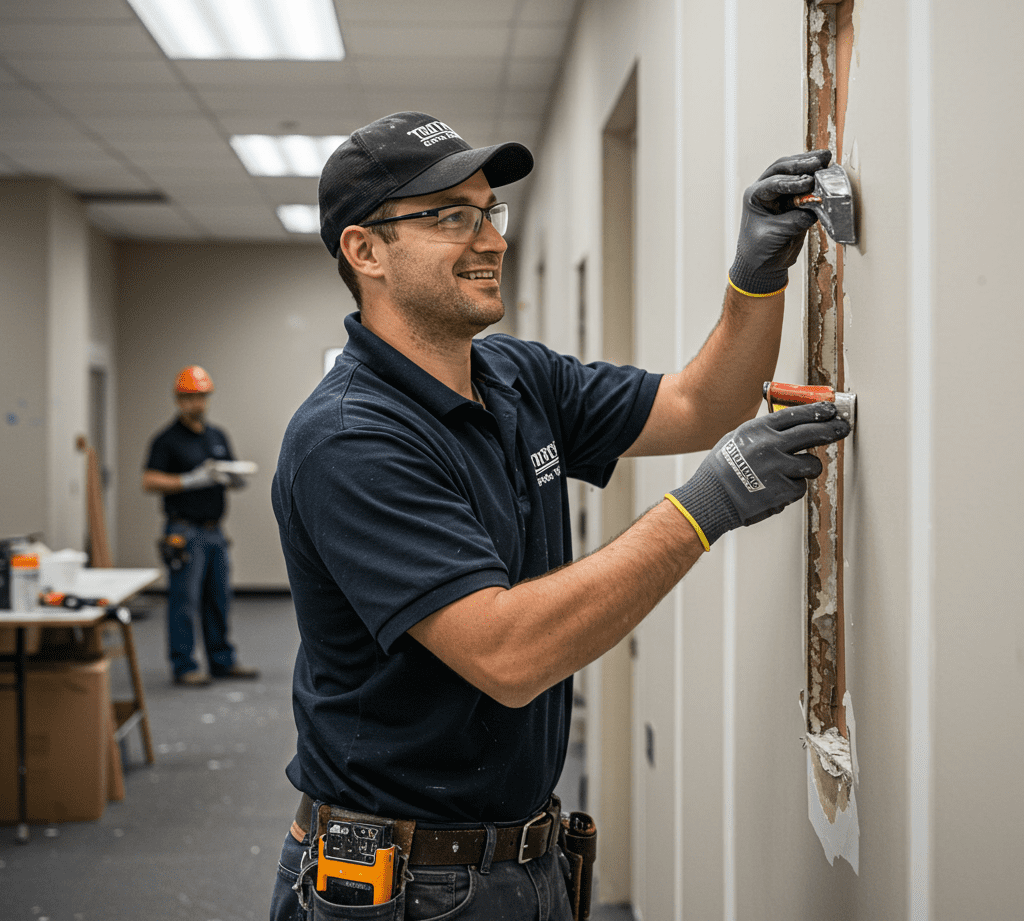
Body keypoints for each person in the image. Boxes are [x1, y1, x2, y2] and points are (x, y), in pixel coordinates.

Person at [269, 112, 848, 920]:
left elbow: (697, 405)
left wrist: (755, 277)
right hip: (401, 885)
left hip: (522, 858)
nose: (491, 239)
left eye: (489, 210)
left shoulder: (513, 375)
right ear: (365, 252)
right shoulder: (350, 438)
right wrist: (708, 504)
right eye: (450, 217)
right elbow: (507, 653)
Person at [142, 365, 259, 686]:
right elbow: (149, 480)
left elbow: (228, 469)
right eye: (191, 397)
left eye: (202, 397)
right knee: (184, 602)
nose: (198, 404)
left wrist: (234, 478)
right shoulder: (167, 440)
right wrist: (190, 480)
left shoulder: (217, 436)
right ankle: (184, 666)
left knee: (218, 599)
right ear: (179, 399)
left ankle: (222, 661)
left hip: (215, 531)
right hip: (184, 531)